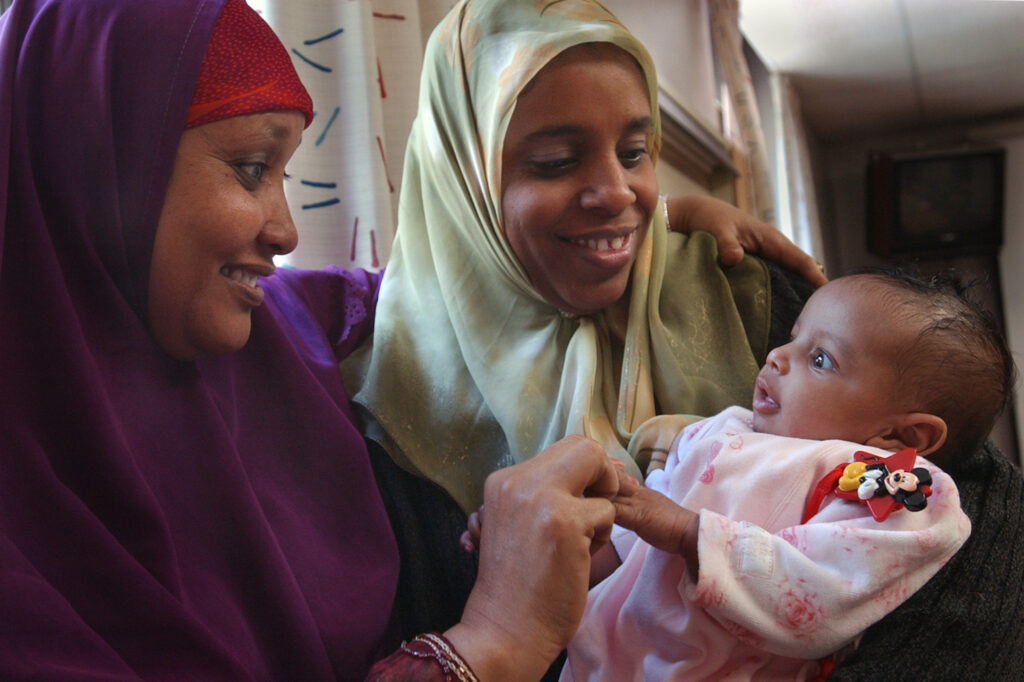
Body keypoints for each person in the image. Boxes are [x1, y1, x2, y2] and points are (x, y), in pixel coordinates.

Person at [0, 0, 822, 679]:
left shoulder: (753, 298)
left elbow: (893, 494)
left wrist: (661, 223)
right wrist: (489, 645)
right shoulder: (372, 375)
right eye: (251, 169)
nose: (286, 230)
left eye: (637, 152)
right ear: (93, 163)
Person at [553, 269, 1013, 679]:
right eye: (794, 337)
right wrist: (572, 534)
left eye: (820, 359)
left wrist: (686, 532)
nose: (776, 355)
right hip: (594, 652)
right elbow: (632, 539)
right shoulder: (722, 430)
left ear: (899, 435)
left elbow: (820, 594)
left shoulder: (896, 489)